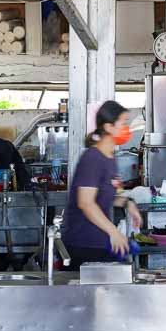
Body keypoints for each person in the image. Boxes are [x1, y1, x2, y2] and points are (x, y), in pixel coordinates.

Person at [60, 101, 143, 265]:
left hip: (99, 241)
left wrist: (128, 203)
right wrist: (114, 232)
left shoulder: (110, 158)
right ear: (108, 127)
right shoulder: (92, 158)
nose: (127, 129)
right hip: (83, 245)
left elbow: (106, 196)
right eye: (123, 123)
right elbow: (86, 203)